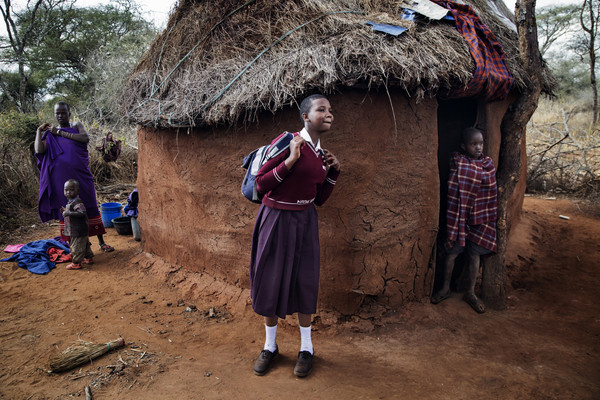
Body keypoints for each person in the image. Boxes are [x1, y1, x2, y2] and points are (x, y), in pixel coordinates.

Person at [250, 94, 341, 377]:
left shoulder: (321, 154)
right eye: (321, 110)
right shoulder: (287, 141)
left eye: (330, 110)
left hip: (304, 222)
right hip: (275, 220)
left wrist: (334, 173)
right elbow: (261, 183)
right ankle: (270, 346)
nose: (329, 114)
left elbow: (319, 200)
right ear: (305, 116)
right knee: (270, 280)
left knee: (305, 282)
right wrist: (290, 159)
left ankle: (306, 348)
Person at [431, 127, 498, 313]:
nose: (478, 147)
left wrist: (477, 209)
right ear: (463, 145)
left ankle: (470, 292)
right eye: (473, 144)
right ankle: (444, 288)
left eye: (481, 143)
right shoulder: (457, 162)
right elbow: (453, 190)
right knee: (452, 254)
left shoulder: (488, 165)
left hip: (480, 219)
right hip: (459, 217)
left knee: (474, 256)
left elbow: (490, 193)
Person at [34, 102, 114, 253]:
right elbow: (39, 149)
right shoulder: (50, 134)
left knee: (89, 204)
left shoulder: (76, 125)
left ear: (69, 113)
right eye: (57, 113)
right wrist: (39, 131)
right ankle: (77, 245)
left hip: (81, 176)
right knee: (67, 209)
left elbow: (85, 138)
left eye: (63, 112)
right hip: (61, 181)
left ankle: (101, 242)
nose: (60, 115)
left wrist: (59, 133)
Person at [61, 179, 94, 270]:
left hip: (78, 229)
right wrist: (66, 211)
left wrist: (68, 213)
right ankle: (88, 258)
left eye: (71, 190)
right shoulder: (71, 201)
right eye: (66, 190)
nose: (68, 192)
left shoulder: (77, 202)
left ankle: (76, 263)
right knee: (84, 244)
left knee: (76, 246)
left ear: (77, 191)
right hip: (77, 229)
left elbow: (82, 212)